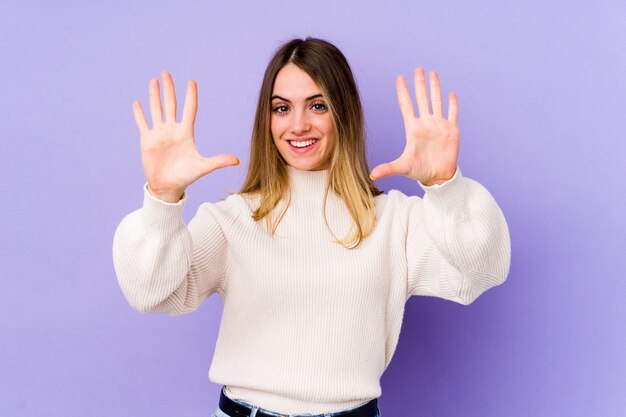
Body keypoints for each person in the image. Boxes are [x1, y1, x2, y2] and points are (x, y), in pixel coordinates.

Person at [113, 38, 511, 417]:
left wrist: (445, 187)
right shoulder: (232, 221)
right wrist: (163, 201)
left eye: (317, 106)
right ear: (266, 120)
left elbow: (482, 271)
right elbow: (149, 292)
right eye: (281, 108)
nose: (298, 125)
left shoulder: (395, 221)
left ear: (343, 113)